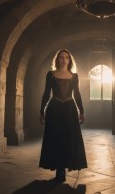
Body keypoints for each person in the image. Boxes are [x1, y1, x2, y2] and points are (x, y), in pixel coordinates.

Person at [39, 49, 87, 182]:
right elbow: (46, 93)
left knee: (68, 139)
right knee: (56, 138)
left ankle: (65, 167)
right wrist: (41, 111)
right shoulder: (51, 75)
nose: (64, 60)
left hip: (69, 110)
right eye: (61, 57)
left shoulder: (74, 76)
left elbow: (77, 94)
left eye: (66, 57)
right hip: (54, 109)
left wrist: (81, 111)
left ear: (70, 60)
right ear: (57, 59)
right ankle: (59, 169)